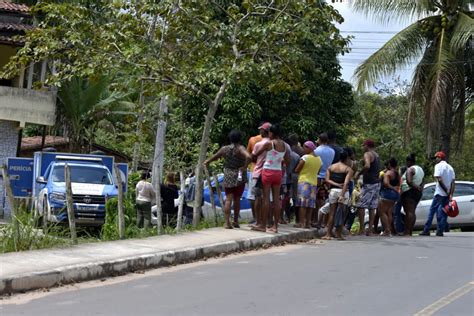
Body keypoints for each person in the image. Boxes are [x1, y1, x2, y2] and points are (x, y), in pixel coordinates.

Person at [205, 129, 251, 229]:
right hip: (239, 174)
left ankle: (227, 222)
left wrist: (207, 162)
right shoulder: (240, 148)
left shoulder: (224, 149)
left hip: (228, 174)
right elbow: (249, 157)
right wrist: (244, 167)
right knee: (237, 198)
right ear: (239, 138)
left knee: (228, 199)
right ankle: (235, 221)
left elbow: (215, 157)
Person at [252, 124, 289, 233]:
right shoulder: (285, 145)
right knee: (277, 200)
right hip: (278, 172)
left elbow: (255, 154)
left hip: (267, 171)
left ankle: (263, 225)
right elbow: (288, 160)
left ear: (271, 133)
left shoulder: (269, 143)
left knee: (266, 198)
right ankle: (275, 227)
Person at [420, 151, 455, 237]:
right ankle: (440, 231)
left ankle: (426, 230)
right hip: (446, 194)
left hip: (439, 193)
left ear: (440, 158)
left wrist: (446, 190)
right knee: (444, 212)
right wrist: (450, 193)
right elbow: (453, 182)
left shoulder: (438, 166)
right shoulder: (450, 167)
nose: (435, 160)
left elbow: (439, 179)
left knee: (432, 211)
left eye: (436, 158)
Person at [323, 149, 354, 240]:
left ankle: (328, 233)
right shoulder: (348, 169)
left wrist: (335, 184)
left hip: (333, 191)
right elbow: (346, 183)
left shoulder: (331, 167)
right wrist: (342, 194)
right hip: (343, 192)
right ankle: (338, 234)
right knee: (341, 213)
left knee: (332, 213)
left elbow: (327, 180)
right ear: (347, 158)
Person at [354, 139, 380, 236]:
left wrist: (359, 173)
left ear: (367, 146)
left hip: (369, 183)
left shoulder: (367, 154)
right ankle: (370, 229)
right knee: (372, 207)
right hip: (376, 183)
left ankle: (361, 229)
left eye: (363, 145)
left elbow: (367, 166)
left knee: (361, 205)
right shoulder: (376, 155)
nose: (362, 147)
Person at [294, 141, 322, 228]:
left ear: (309, 148)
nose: (303, 149)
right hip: (313, 183)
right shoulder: (319, 159)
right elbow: (319, 171)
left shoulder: (305, 157)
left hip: (304, 182)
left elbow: (297, 170)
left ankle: (301, 223)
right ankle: (308, 223)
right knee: (310, 204)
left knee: (303, 203)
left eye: (304, 147)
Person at [246, 123, 270, 223]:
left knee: (254, 196)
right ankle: (267, 219)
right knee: (268, 197)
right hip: (270, 170)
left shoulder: (253, 140)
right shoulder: (274, 142)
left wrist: (244, 167)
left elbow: (249, 155)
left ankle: (256, 218)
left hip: (255, 169)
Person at [400, 154, 425, 236]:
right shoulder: (420, 169)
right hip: (417, 193)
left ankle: (407, 231)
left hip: (409, 192)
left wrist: (416, 187)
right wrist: (420, 188)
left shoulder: (410, 169)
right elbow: (422, 180)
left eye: (407, 162)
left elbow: (409, 181)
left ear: (409, 161)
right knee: (412, 212)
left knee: (409, 212)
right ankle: (410, 231)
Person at [314, 133, 335, 227]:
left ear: (319, 139)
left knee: (318, 199)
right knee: (325, 199)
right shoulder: (332, 151)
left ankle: (317, 220)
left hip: (318, 176)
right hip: (327, 177)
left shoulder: (316, 150)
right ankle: (323, 221)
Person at [378, 158, 400, 236]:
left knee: (382, 212)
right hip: (395, 195)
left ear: (390, 164)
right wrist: (395, 188)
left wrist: (391, 187)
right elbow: (398, 183)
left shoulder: (388, 173)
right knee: (389, 212)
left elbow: (386, 183)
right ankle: (388, 229)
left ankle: (387, 230)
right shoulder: (397, 173)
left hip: (387, 194)